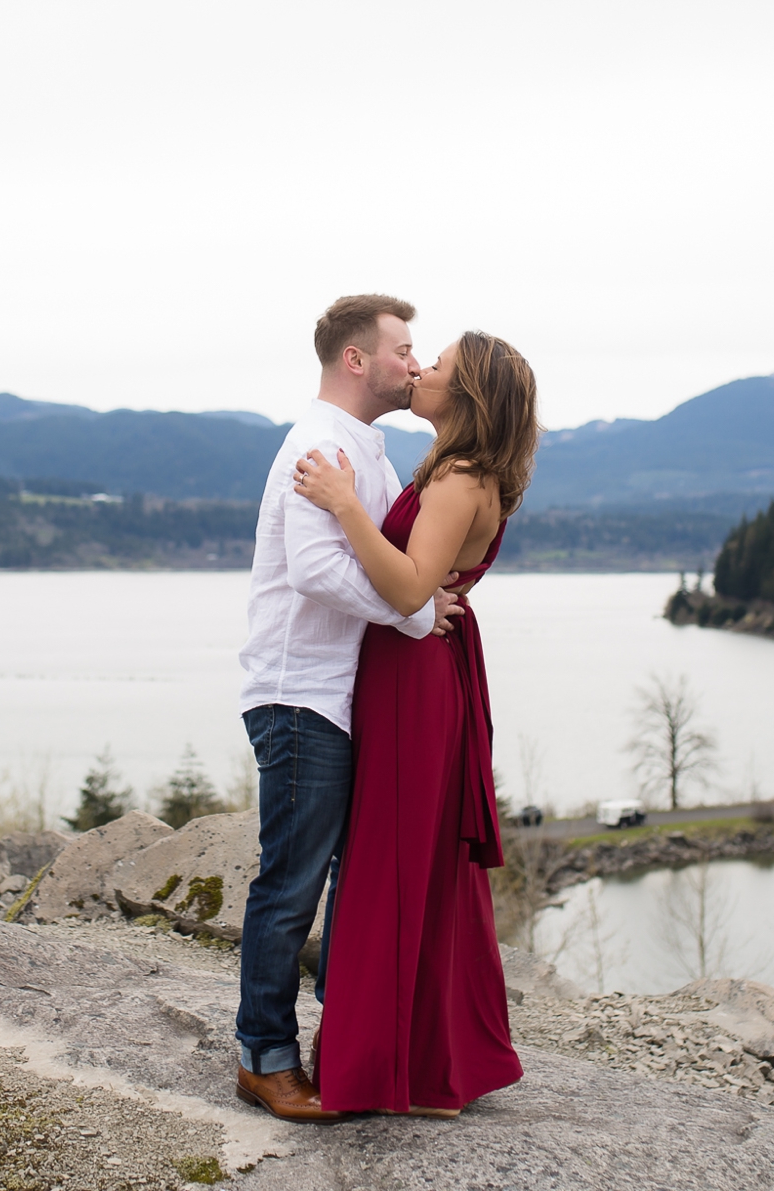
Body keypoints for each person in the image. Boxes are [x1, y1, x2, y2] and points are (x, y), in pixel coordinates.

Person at [290, 329, 538, 1118]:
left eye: (439, 366)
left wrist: (343, 505)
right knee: (419, 867)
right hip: (422, 671)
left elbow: (406, 589)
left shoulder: (461, 478)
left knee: (390, 863)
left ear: (466, 395)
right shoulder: (458, 469)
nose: (422, 370)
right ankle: (430, 1068)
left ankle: (388, 1071)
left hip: (413, 679)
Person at [234, 294, 462, 1124]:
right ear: (357, 360)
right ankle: (264, 1059)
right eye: (404, 349)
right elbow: (316, 571)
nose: (415, 362)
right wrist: (415, 613)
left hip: (340, 696)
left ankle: (352, 1050)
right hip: (300, 694)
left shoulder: (369, 451)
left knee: (349, 879)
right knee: (292, 883)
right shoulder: (319, 444)